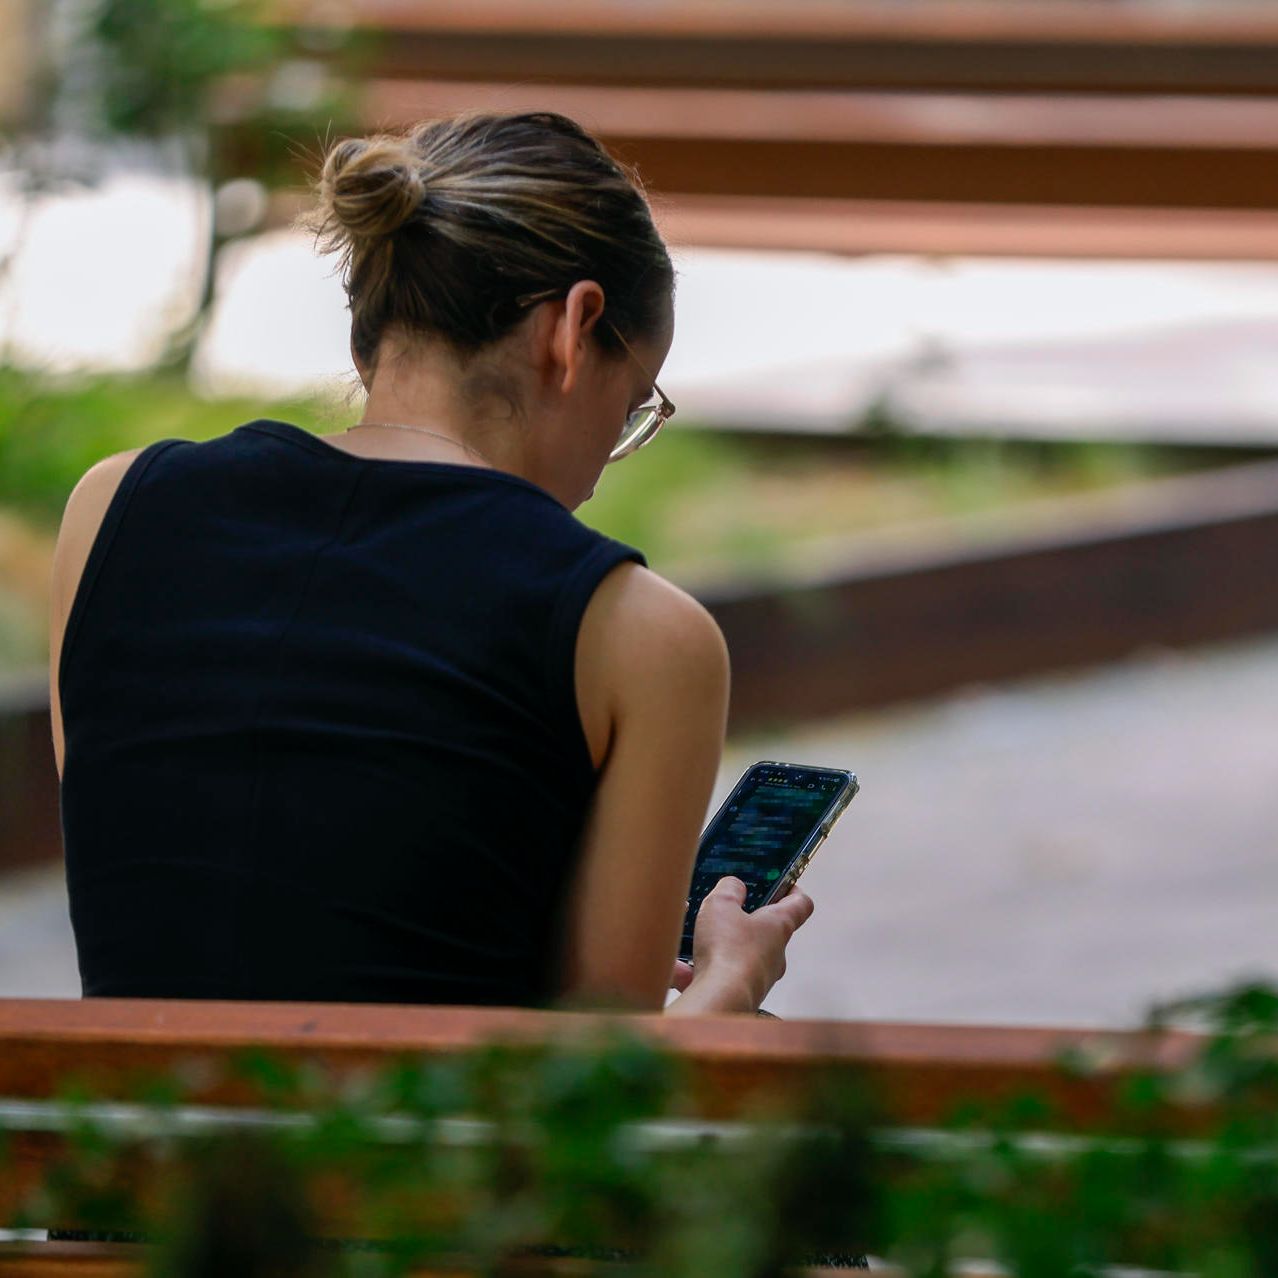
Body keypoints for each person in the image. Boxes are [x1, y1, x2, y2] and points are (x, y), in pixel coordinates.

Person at [47, 108, 813, 1016]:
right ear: (574, 328)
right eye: (636, 403)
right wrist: (728, 985)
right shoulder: (639, 633)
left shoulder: (112, 509)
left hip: (114, 1142)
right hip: (416, 1159)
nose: (611, 462)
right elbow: (606, 1095)